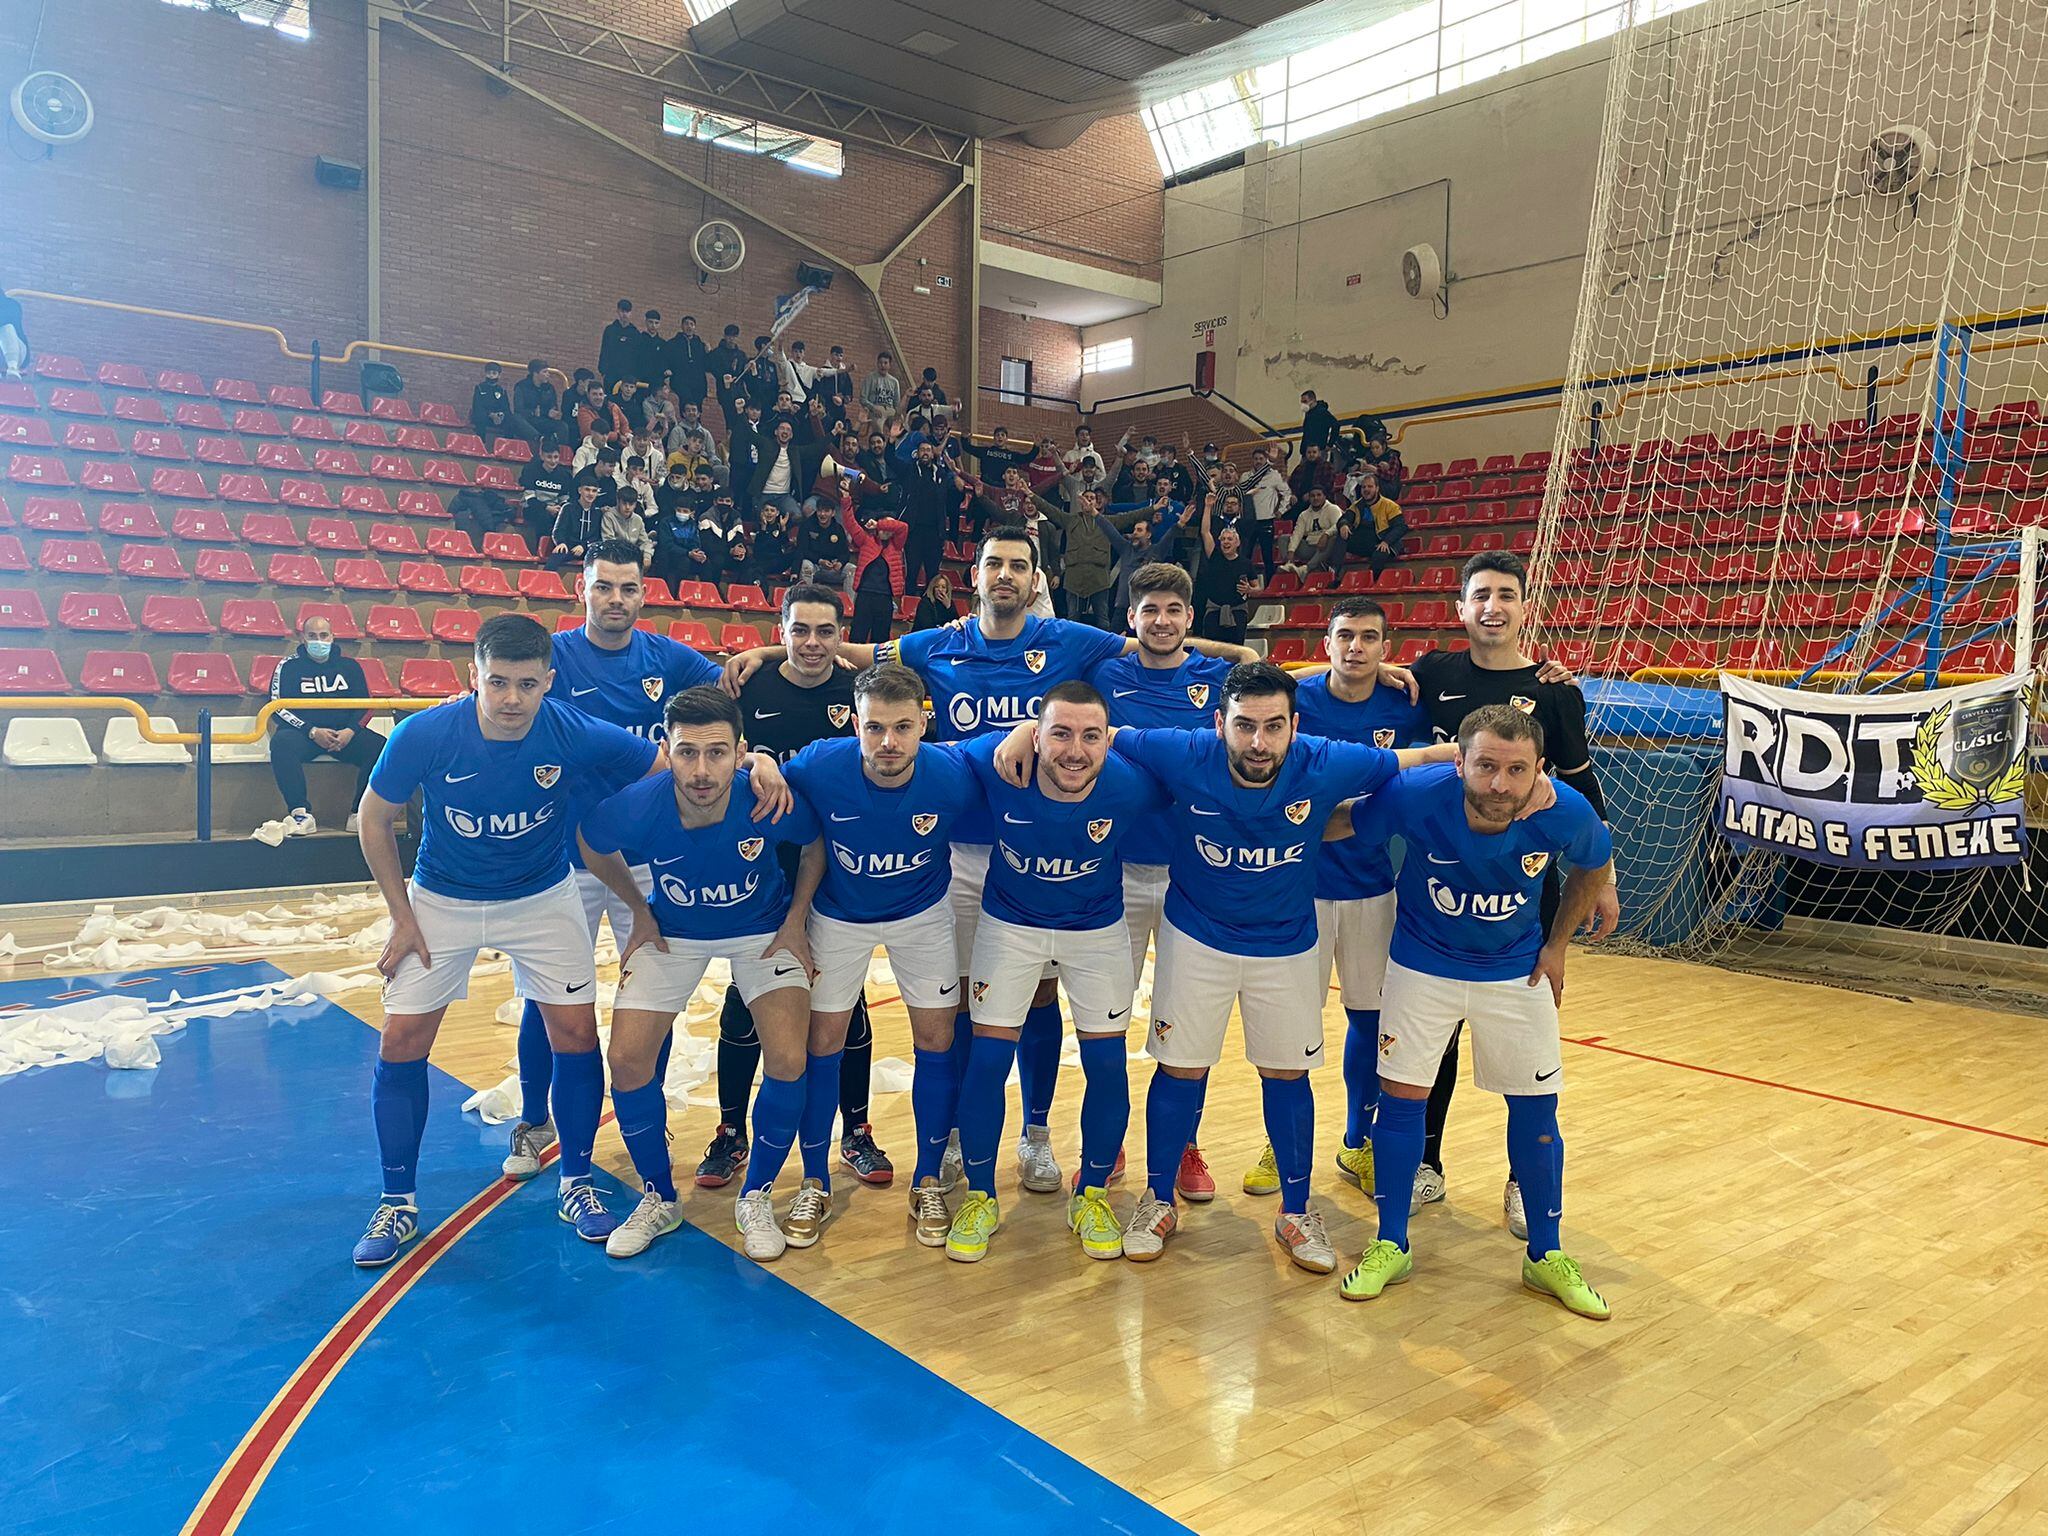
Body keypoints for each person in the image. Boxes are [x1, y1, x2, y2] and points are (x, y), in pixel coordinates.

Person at [989, 662, 1453, 1271]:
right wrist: (1026, 729)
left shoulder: (1328, 760)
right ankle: (1157, 1199)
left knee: (1288, 1076)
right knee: (1180, 1069)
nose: (1257, 742)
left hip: (1286, 945)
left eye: (1272, 727)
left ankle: (1295, 1209)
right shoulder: (1181, 751)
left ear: (1295, 727)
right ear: (1218, 724)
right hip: (1197, 939)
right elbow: (1093, 731)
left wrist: (1490, 763)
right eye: (1243, 726)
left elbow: (1415, 762)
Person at [350, 615, 667, 1265]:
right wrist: (401, 915)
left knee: (576, 1036)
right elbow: (373, 817)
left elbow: (663, 767)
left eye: (528, 684)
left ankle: (576, 1181)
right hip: (442, 898)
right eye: (498, 682)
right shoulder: (426, 733)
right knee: (402, 1039)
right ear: (475, 677)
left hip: (542, 898)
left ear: (549, 681)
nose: (513, 698)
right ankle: (397, 1201)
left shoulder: (570, 730)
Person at [1336, 706, 1618, 1319]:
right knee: (1402, 1100)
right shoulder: (1413, 792)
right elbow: (1342, 826)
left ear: (1538, 770)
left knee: (1539, 1112)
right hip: (1420, 967)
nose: (1500, 784)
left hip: (1516, 974)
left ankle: (1546, 1255)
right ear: (1458, 760)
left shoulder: (1564, 809)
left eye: (1517, 770)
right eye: (1486, 765)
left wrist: (1558, 944)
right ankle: (1390, 1242)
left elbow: (1594, 865)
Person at [496, 543, 728, 1181]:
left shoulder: (666, 657)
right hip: (560, 859)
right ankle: (535, 1120)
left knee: (655, 996)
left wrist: (760, 660)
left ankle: (645, 1118)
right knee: (547, 1000)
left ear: (643, 593)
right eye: (604, 587)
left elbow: (727, 687)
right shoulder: (555, 657)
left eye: (628, 588)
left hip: (649, 861)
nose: (616, 599)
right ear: (583, 589)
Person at [1406, 551, 1610, 1227]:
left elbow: (1582, 791)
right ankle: (1425, 1164)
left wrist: (1602, 876)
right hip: (1435, 883)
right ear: (1461, 608)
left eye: (1506, 594)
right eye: (1480, 594)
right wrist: (1377, 667)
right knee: (1432, 1038)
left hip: (1522, 897)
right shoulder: (1432, 673)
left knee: (1525, 1047)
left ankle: (1525, 1179)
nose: (1493, 605)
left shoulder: (1556, 690)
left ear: (1526, 609)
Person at [580, 687, 817, 1262]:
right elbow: (590, 842)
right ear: (666, 748)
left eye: (716, 752)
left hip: (762, 930)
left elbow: (813, 847)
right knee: (628, 1060)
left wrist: (795, 921)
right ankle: (659, 1197)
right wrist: (637, 908)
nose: (702, 769)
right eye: (687, 752)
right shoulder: (639, 803)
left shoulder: (766, 797)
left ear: (741, 752)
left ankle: (756, 1192)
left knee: (788, 1058)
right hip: (674, 930)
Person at [944, 682, 1161, 1264]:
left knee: (1108, 1065)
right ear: (1035, 736)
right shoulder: (998, 765)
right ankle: (982, 1195)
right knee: (988, 1059)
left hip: (1097, 931)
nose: (1075, 750)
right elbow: (919, 756)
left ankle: (1091, 1194)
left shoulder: (1132, 783)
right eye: (1059, 733)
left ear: (1107, 740)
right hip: (1009, 925)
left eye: (1091, 736)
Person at [782, 663, 983, 1247]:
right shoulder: (820, 763)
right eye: (874, 728)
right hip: (838, 916)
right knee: (822, 1044)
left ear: (925, 723)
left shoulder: (952, 772)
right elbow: (763, 780)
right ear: (853, 722)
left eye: (902, 727)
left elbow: (1009, 748)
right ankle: (814, 1179)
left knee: (936, 1042)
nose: (889, 742)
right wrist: (761, 762)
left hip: (922, 916)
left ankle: (926, 1177)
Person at [701, 586, 894, 1189]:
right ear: (780, 631)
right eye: (798, 630)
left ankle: (856, 1131)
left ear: (842, 637)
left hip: (836, 869)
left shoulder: (856, 695)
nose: (812, 643)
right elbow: (713, 748)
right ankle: (732, 1131)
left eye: (825, 632)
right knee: (747, 997)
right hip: (760, 868)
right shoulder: (748, 687)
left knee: (844, 1002)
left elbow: (910, 664)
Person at [1240, 598, 1431, 1196]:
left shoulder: (1404, 707)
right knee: (1289, 1026)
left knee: (1368, 1020)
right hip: (1298, 889)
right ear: (1325, 642)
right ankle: (1280, 1146)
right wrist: (1300, 676)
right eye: (1344, 636)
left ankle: (1357, 1141)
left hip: (1373, 888)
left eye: (1369, 638)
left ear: (1385, 647)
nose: (1355, 648)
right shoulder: (1296, 703)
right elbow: (1246, 686)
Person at [1086, 561, 1235, 1201]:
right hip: (1114, 868)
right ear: (1131, 618)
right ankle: (1108, 1136)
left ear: (1189, 620)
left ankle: (1183, 1145)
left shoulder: (1217, 678)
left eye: (1174, 610)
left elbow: (1290, 690)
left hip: (1194, 872)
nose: (1162, 621)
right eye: (1150, 610)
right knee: (1106, 1018)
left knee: (1187, 1020)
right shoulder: (1105, 676)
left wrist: (1400, 672)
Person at [266, 612, 384, 836]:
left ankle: (359, 813)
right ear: (302, 638)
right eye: (312, 635)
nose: (318, 641)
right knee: (281, 743)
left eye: (323, 635)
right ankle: (300, 814)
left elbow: (367, 704)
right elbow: (276, 707)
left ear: (332, 637)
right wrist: (311, 731)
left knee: (380, 746)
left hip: (344, 735)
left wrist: (350, 731)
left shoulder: (350, 667)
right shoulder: (287, 667)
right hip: (304, 735)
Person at [1195, 497, 1255, 644]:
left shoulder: (1246, 563)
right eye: (1223, 539)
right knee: (1213, 651)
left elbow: (1259, 588)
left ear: (1238, 543)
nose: (1226, 542)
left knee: (1236, 651)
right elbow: (1205, 532)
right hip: (1214, 610)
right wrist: (1208, 506)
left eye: (1230, 539)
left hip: (1237, 612)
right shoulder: (1214, 556)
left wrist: (1250, 590)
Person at [1342, 467, 1408, 577]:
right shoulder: (1357, 505)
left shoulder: (1390, 505)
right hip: (1366, 543)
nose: (1366, 490)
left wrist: (1386, 541)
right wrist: (1343, 525)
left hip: (1385, 542)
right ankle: (1334, 574)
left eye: (1370, 486)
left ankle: (1369, 580)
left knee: (1380, 553)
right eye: (1363, 487)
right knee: (1339, 537)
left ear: (1377, 488)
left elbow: (1401, 527)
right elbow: (1345, 518)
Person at [796, 496, 853, 587]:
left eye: (826, 511)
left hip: (833, 569)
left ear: (833, 513)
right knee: (806, 565)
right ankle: (805, 599)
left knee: (852, 570)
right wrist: (820, 561)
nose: (822, 514)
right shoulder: (807, 525)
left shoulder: (838, 529)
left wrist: (840, 563)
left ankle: (850, 601)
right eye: (820, 510)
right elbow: (802, 550)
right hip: (815, 566)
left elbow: (845, 552)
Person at [548, 480, 607, 569]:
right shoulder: (568, 507)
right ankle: (545, 580)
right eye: (587, 490)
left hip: (588, 549)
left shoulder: (598, 512)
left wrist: (584, 546)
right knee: (557, 555)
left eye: (594, 491)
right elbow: (558, 530)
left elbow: (597, 537)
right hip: (568, 547)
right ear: (580, 490)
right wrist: (561, 543)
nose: (591, 494)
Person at [514, 361, 564, 442]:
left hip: (544, 420)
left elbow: (554, 407)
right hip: (528, 421)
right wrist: (533, 412)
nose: (548, 374)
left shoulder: (549, 388)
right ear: (535, 373)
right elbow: (518, 410)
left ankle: (561, 451)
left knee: (562, 426)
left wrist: (554, 413)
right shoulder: (521, 386)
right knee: (515, 418)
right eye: (544, 372)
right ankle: (539, 438)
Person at [599, 300, 640, 389]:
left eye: (627, 312)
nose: (624, 314)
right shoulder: (610, 330)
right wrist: (603, 371)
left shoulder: (635, 333)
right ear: (618, 311)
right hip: (611, 373)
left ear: (631, 313)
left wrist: (635, 375)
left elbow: (637, 355)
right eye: (622, 311)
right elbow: (604, 350)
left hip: (628, 375)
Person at [860, 350, 903, 424]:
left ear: (889, 365)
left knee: (900, 421)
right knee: (878, 423)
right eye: (880, 363)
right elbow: (863, 399)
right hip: (875, 409)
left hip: (890, 411)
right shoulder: (870, 378)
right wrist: (873, 408)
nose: (883, 365)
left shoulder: (894, 382)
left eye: (885, 363)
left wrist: (898, 414)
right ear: (877, 364)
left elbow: (896, 403)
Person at [1299, 389, 1339, 454]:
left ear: (1312, 400)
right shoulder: (1308, 413)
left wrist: (1330, 444)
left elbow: (1336, 425)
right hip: (1306, 450)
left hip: (1319, 450)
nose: (1303, 404)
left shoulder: (1322, 412)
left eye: (1305, 401)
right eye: (1302, 402)